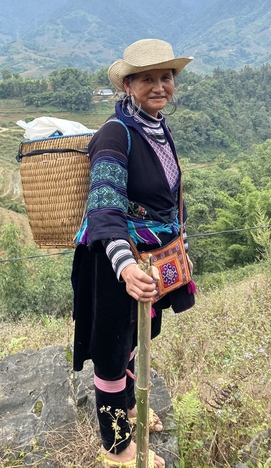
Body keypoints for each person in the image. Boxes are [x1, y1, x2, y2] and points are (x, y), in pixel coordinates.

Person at [72, 38, 197, 468]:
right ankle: (115, 445)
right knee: (110, 350)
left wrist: (180, 250)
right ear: (128, 84)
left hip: (154, 258)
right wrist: (125, 268)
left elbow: (170, 201)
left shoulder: (158, 127)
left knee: (132, 341)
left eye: (167, 77)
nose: (160, 86)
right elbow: (104, 202)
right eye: (148, 78)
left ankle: (127, 406)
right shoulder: (115, 132)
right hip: (115, 260)